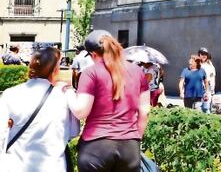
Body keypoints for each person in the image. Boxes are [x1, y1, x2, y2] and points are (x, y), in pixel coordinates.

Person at [65, 29, 151, 172]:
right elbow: (145, 111)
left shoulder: (91, 72)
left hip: (96, 147)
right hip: (130, 148)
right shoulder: (138, 72)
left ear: (93, 54)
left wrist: (68, 92)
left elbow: (81, 111)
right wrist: (135, 138)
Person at [0, 46, 80, 171]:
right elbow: (74, 132)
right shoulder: (64, 97)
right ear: (55, 70)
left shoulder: (10, 94)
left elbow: (1, 134)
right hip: (53, 166)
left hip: (15, 165)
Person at [197, 48, 216, 114]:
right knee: (197, 108)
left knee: (206, 108)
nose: (203, 56)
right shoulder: (196, 64)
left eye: (205, 54)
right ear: (199, 54)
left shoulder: (210, 66)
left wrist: (212, 90)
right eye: (202, 54)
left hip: (207, 89)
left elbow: (212, 78)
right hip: (197, 89)